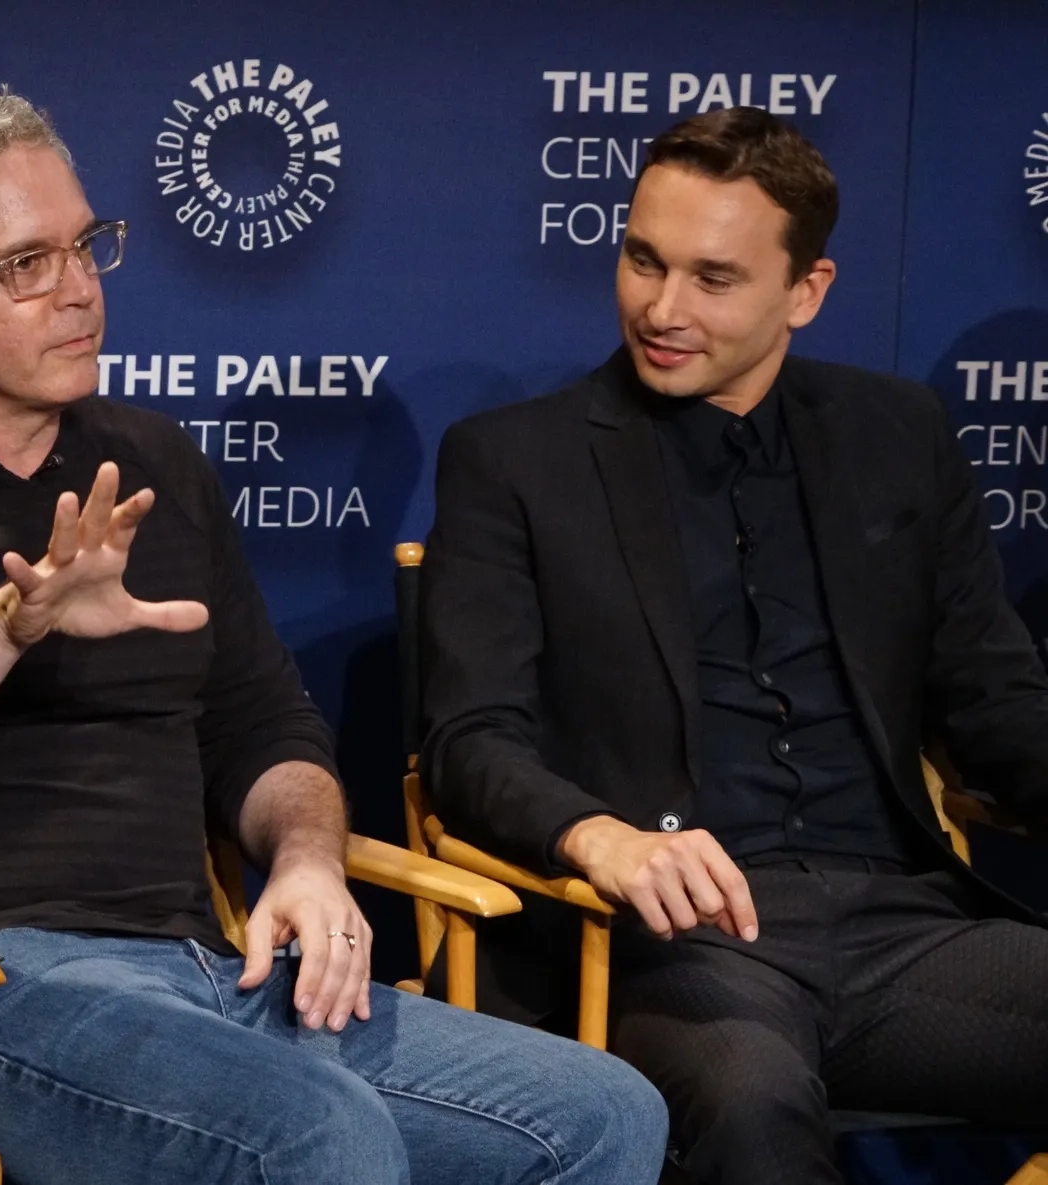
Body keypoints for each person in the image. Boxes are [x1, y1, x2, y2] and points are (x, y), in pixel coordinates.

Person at [0, 88, 667, 1185]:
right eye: (24, 265)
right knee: (319, 1138)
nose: (79, 291)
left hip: (213, 971)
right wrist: (10, 622)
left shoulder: (153, 459)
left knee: (605, 1113)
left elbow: (261, 721)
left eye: (85, 246)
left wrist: (305, 864)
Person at [421, 107, 1048, 1184]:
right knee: (748, 1103)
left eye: (711, 279)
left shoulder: (897, 437)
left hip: (905, 929)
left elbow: (993, 701)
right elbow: (468, 742)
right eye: (640, 260)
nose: (659, 310)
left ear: (804, 292)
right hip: (668, 943)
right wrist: (600, 836)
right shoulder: (513, 462)